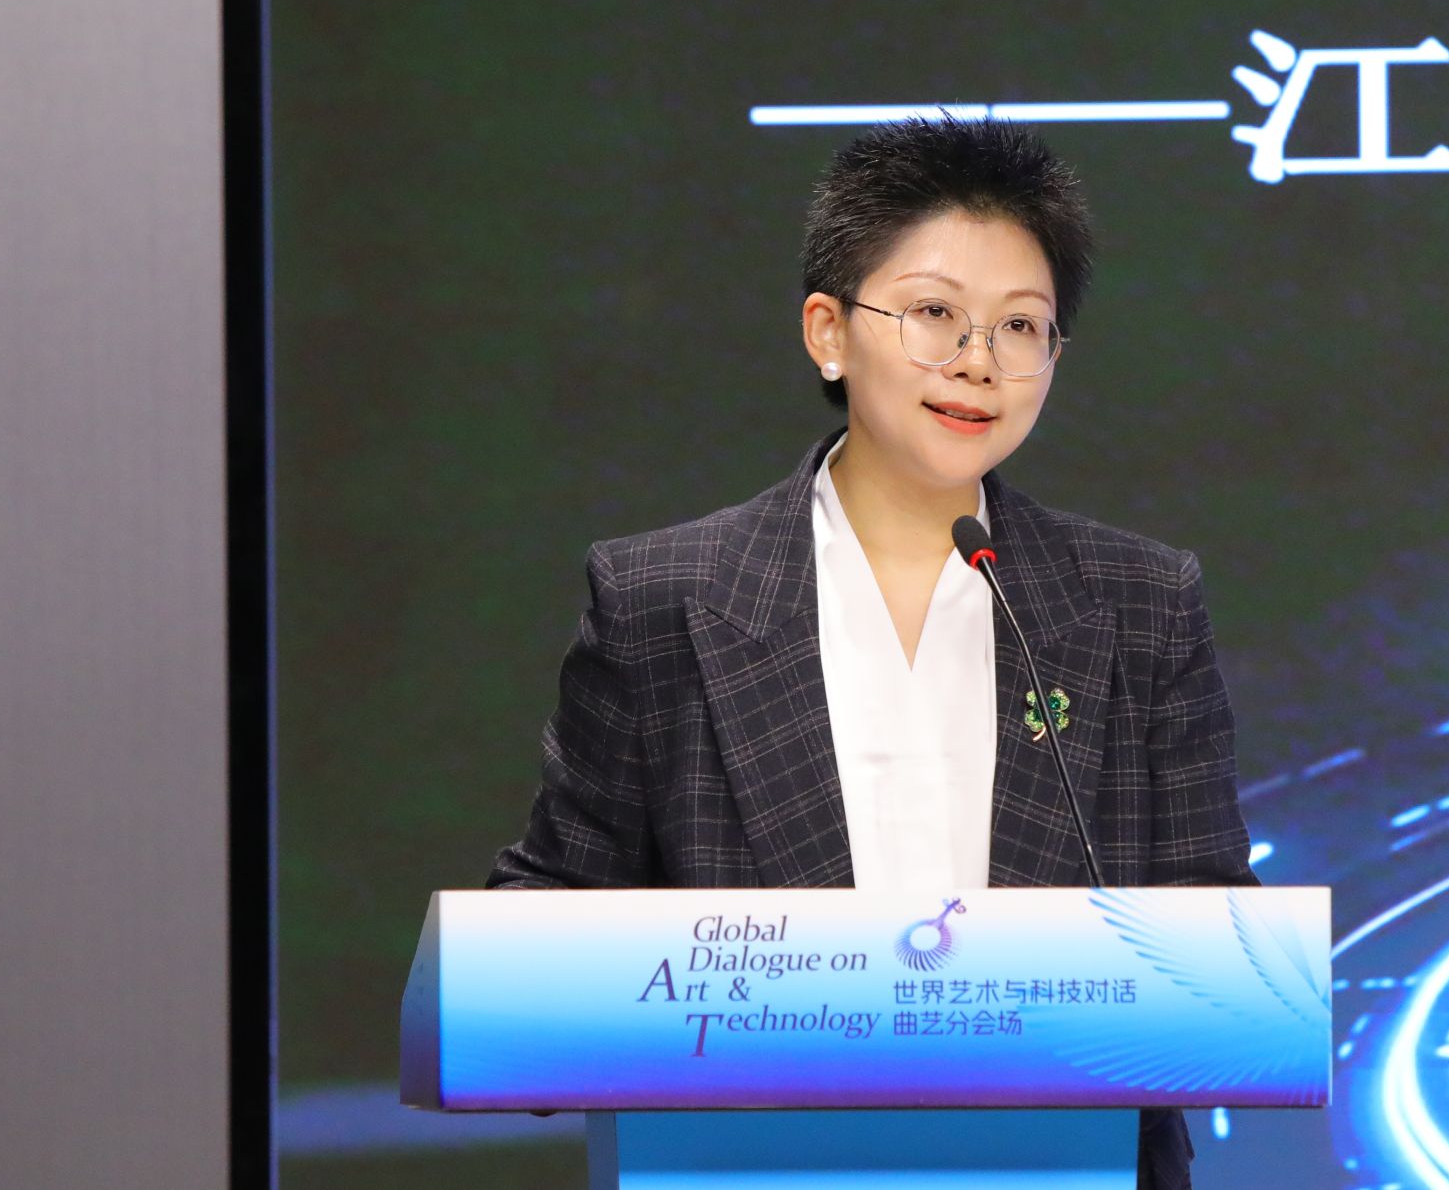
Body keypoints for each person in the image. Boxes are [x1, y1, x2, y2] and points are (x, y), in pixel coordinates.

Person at [490, 116, 1258, 1189]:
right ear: (829, 332)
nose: (977, 362)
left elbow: (1212, 942)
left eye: (1020, 326)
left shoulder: (1139, 604)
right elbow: (541, 935)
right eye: (934, 314)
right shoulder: (662, 600)